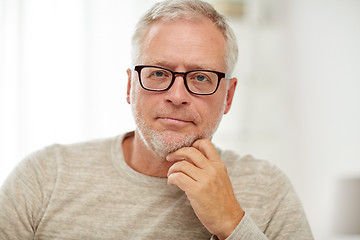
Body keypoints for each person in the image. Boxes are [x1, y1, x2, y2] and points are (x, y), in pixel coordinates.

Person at [0, 0, 313, 239]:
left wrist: (232, 224)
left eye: (201, 77)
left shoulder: (269, 191)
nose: (177, 95)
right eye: (159, 73)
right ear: (129, 86)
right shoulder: (43, 177)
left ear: (228, 96)